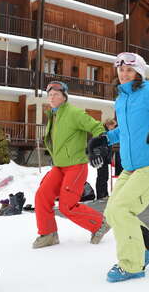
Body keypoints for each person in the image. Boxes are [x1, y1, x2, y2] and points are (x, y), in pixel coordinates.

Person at [87, 52, 149, 282]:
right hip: (130, 167)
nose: (124, 74)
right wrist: (103, 140)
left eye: (129, 70)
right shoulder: (121, 99)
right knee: (112, 211)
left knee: (121, 210)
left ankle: (132, 265)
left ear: (139, 72)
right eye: (120, 70)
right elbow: (126, 131)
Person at [32, 81, 110, 248]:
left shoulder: (74, 113)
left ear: (64, 97)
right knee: (42, 195)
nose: (52, 98)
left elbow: (97, 127)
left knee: (67, 205)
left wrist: (97, 147)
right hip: (59, 166)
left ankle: (99, 224)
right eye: (50, 95)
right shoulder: (54, 115)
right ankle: (48, 234)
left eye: (56, 95)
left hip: (76, 166)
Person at [94, 119, 118, 200]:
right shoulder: (102, 133)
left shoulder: (107, 133)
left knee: (105, 176)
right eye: (113, 126)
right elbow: (101, 146)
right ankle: (101, 195)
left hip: (104, 158)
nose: (113, 128)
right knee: (102, 176)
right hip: (100, 158)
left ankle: (104, 194)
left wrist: (109, 156)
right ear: (109, 125)